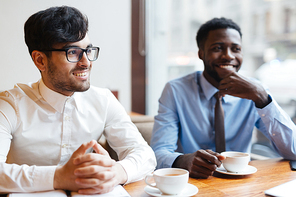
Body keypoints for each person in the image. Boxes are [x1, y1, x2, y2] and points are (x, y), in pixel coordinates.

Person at [0, 6, 156, 194]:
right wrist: (59, 177)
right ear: (40, 60)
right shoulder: (10, 105)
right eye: (73, 52)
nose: (86, 62)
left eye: (88, 50)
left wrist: (117, 172)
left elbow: (144, 154)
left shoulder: (103, 100)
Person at [150, 17, 296, 179]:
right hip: (193, 182)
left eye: (236, 49)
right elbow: (158, 153)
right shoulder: (176, 90)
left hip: (241, 182)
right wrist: (183, 160)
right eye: (217, 48)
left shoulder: (256, 91)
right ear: (201, 53)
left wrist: (263, 98)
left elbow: (294, 151)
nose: (228, 56)